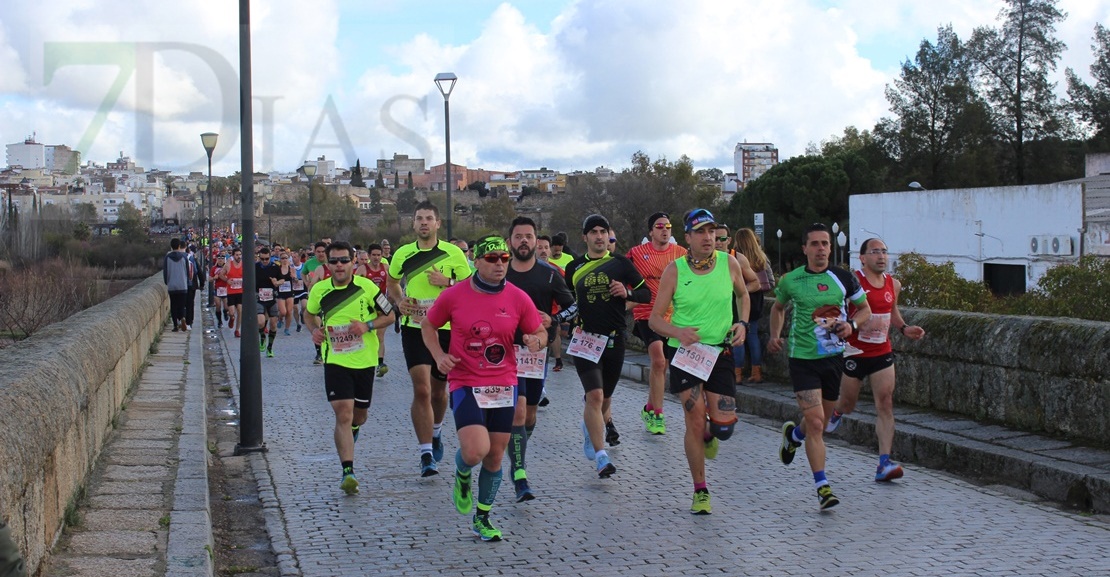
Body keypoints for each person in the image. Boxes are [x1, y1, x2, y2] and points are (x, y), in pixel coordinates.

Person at [422, 235, 545, 542]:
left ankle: (482, 517)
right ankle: (462, 471)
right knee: (476, 451)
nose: (500, 264)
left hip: (504, 383)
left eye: (504, 259)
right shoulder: (454, 295)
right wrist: (439, 357)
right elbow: (428, 325)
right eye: (492, 259)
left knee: (495, 456)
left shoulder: (517, 297)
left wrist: (536, 340)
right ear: (475, 261)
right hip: (466, 381)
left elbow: (540, 331)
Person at [648, 208, 750, 514]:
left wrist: (742, 323)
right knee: (693, 419)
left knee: (724, 428)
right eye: (701, 232)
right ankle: (700, 490)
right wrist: (678, 331)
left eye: (712, 231)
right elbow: (655, 319)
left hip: (720, 352)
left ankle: (712, 431)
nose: (708, 238)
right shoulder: (674, 271)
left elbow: (744, 295)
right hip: (686, 353)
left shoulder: (729, 263)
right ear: (688, 237)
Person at [769, 222, 871, 510]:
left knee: (820, 424)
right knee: (815, 422)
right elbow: (777, 308)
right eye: (814, 244)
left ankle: (794, 435)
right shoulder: (791, 280)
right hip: (802, 360)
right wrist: (775, 335)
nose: (821, 249)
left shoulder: (843, 278)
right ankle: (822, 486)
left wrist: (851, 325)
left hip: (833, 359)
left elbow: (865, 310)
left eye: (825, 243)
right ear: (804, 249)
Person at [826, 238, 925, 482]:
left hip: (882, 352)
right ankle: (837, 411)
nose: (881, 256)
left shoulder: (894, 284)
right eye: (875, 252)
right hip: (854, 353)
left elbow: (892, 312)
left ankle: (884, 463)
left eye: (884, 251)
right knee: (848, 403)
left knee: (886, 403)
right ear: (862, 258)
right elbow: (836, 309)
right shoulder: (853, 282)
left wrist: (904, 328)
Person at [387, 200, 473, 476]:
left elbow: (471, 288)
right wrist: (399, 302)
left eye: (429, 218)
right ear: (413, 224)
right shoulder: (402, 254)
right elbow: (392, 283)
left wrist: (446, 283)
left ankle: (436, 432)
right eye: (419, 218)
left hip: (447, 330)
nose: (424, 222)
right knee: (422, 389)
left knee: (439, 391)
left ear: (438, 224)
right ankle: (426, 453)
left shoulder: (453, 254)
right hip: (415, 327)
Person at [305, 241, 396, 494]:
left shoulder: (367, 287)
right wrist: (315, 331)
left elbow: (390, 315)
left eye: (344, 260)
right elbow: (309, 314)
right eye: (333, 261)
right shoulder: (320, 290)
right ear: (328, 264)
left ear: (353, 262)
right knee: (343, 413)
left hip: (364, 361)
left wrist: (366, 326)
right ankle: (348, 471)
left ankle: (354, 429)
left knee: (359, 416)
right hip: (335, 360)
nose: (338, 266)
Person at [564, 214, 650, 478]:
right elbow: (571, 300)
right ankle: (602, 457)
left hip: (615, 340)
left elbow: (646, 293)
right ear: (585, 237)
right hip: (585, 339)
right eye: (594, 232)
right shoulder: (574, 268)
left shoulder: (620, 264)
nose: (599, 236)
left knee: (605, 398)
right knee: (595, 395)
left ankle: (590, 427)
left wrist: (628, 294)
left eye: (603, 231)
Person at [504, 217, 577, 501]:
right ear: (510, 241)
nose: (524, 241)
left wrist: (554, 318)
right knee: (519, 410)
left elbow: (573, 307)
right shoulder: (500, 272)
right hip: (505, 353)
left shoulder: (549, 274)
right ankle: (520, 473)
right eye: (518, 236)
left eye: (529, 236)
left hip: (536, 353)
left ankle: (517, 448)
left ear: (536, 241)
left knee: (529, 415)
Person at [626, 212, 687, 435]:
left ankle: (649, 407)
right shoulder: (636, 253)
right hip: (646, 313)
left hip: (673, 316)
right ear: (651, 231)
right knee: (659, 360)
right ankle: (657, 415)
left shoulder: (681, 253)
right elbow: (623, 275)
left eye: (668, 226)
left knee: (664, 364)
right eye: (660, 226)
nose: (665, 230)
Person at [733, 228, 775, 383]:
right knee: (753, 335)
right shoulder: (761, 257)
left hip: (739, 299)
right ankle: (756, 372)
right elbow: (771, 281)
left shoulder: (736, 257)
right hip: (757, 300)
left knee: (737, 336)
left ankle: (737, 373)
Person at [536, 235, 566, 373]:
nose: (543, 251)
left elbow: (567, 293)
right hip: (527, 319)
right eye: (540, 247)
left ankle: (541, 385)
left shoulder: (556, 270)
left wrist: (560, 306)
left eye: (546, 248)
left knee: (544, 352)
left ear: (550, 250)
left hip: (550, 316)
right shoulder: (521, 269)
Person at [360, 244, 391, 377]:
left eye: (379, 255)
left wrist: (393, 300)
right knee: (366, 335)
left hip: (382, 302)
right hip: (367, 305)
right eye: (374, 255)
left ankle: (380, 363)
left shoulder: (386, 267)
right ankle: (365, 361)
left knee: (380, 336)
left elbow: (392, 284)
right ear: (369, 256)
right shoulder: (362, 269)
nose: (376, 258)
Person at [255, 246, 284, 358]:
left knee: (273, 324)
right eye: (262, 259)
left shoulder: (275, 267)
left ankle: (270, 347)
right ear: (259, 258)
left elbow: (282, 279)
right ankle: (262, 336)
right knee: (261, 321)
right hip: (259, 297)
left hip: (272, 297)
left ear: (270, 257)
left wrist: (277, 282)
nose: (265, 261)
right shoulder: (255, 267)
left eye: (267, 259)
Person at [163, 237, 190, 332]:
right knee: (182, 305)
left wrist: (167, 282)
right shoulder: (184, 257)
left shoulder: (167, 257)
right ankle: (182, 317)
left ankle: (175, 325)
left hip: (172, 285)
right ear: (179, 246)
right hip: (182, 285)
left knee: (173, 305)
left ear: (171, 246)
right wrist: (187, 282)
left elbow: (165, 272)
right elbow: (187, 271)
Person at [220, 247, 245, 337]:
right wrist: (227, 280)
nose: (239, 256)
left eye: (240, 255)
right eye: (237, 255)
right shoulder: (228, 264)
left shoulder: (243, 264)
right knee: (231, 312)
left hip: (240, 291)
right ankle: (231, 318)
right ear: (233, 256)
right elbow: (221, 274)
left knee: (240, 310)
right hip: (231, 292)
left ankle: (237, 330)